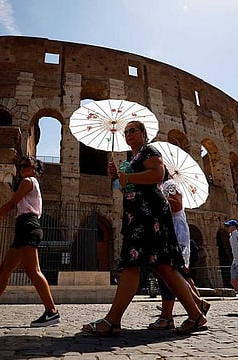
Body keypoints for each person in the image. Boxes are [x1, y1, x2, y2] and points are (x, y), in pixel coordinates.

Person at [82, 121, 207, 336]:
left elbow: (158, 174)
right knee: (163, 267)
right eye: (126, 131)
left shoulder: (149, 150)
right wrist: (116, 177)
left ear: (143, 133)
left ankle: (112, 321)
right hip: (138, 213)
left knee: (132, 263)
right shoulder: (132, 159)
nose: (128, 134)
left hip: (149, 214)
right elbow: (127, 189)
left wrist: (128, 176)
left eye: (133, 130)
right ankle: (196, 315)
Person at [0, 155, 60, 326]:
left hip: (28, 226)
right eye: (20, 166)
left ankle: (52, 312)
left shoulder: (28, 181)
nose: (22, 169)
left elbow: (11, 204)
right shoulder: (30, 183)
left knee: (33, 271)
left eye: (26, 165)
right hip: (24, 226)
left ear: (33, 169)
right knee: (4, 270)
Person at [148, 177, 210, 330]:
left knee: (168, 270)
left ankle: (170, 316)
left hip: (174, 231)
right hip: (165, 232)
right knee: (169, 272)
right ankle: (194, 304)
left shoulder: (170, 185)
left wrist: (156, 200)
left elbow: (176, 205)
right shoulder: (161, 186)